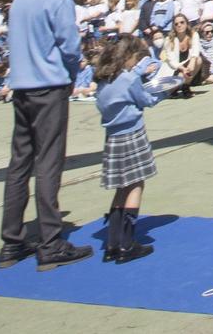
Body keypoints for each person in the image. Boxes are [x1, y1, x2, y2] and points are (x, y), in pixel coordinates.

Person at [0, 0, 93, 269]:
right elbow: (69, 45)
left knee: (19, 164)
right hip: (49, 86)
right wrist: (71, 75)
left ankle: (11, 241)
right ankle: (51, 242)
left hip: (21, 87)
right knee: (49, 163)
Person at [91, 35, 169, 264]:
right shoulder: (128, 79)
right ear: (128, 57)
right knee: (136, 184)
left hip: (112, 137)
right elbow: (146, 100)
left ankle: (112, 244)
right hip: (132, 133)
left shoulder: (103, 81)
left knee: (121, 187)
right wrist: (167, 90)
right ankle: (127, 244)